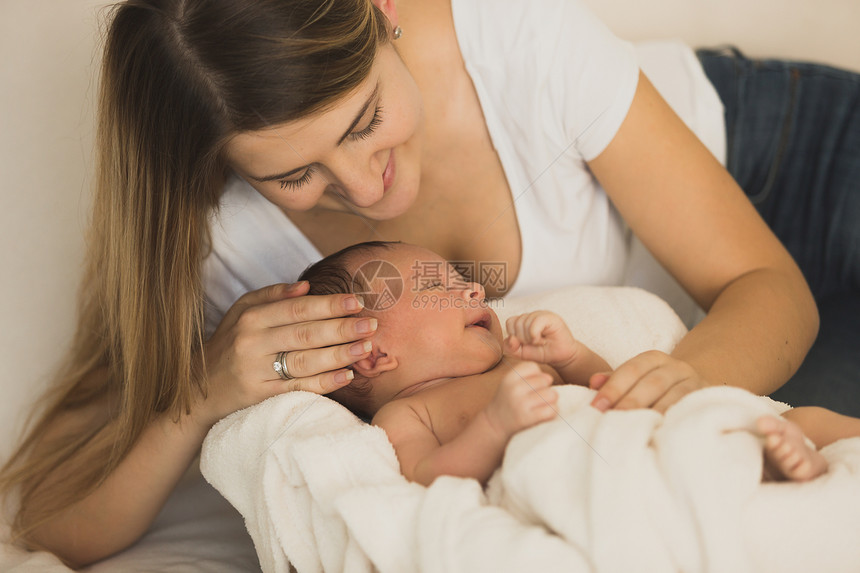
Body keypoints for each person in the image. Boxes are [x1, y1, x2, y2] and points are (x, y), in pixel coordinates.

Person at [0, 0, 856, 566]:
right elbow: (52, 519)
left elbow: (768, 288)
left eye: (366, 119)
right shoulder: (225, 239)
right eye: (296, 172)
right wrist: (197, 395)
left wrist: (687, 387)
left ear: (384, 14)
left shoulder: (518, 43)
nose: (367, 190)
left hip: (789, 157)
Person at [300, 240, 860, 485]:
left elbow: (611, 391)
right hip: (591, 471)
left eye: (463, 281)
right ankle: (770, 472)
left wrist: (571, 357)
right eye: (439, 289)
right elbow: (426, 478)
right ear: (373, 353)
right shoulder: (410, 416)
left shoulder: (512, 365)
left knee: (803, 419)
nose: (473, 292)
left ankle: (795, 457)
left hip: (643, 436)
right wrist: (494, 427)